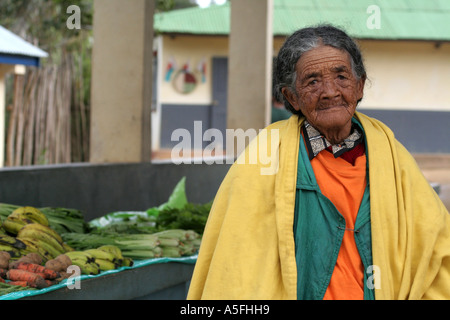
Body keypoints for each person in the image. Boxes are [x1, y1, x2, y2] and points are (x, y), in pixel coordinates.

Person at [187, 25, 450, 300]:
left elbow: (436, 247)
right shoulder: (264, 157)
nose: (330, 92)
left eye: (341, 77)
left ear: (359, 86)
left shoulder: (392, 156)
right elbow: (238, 265)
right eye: (312, 81)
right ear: (292, 97)